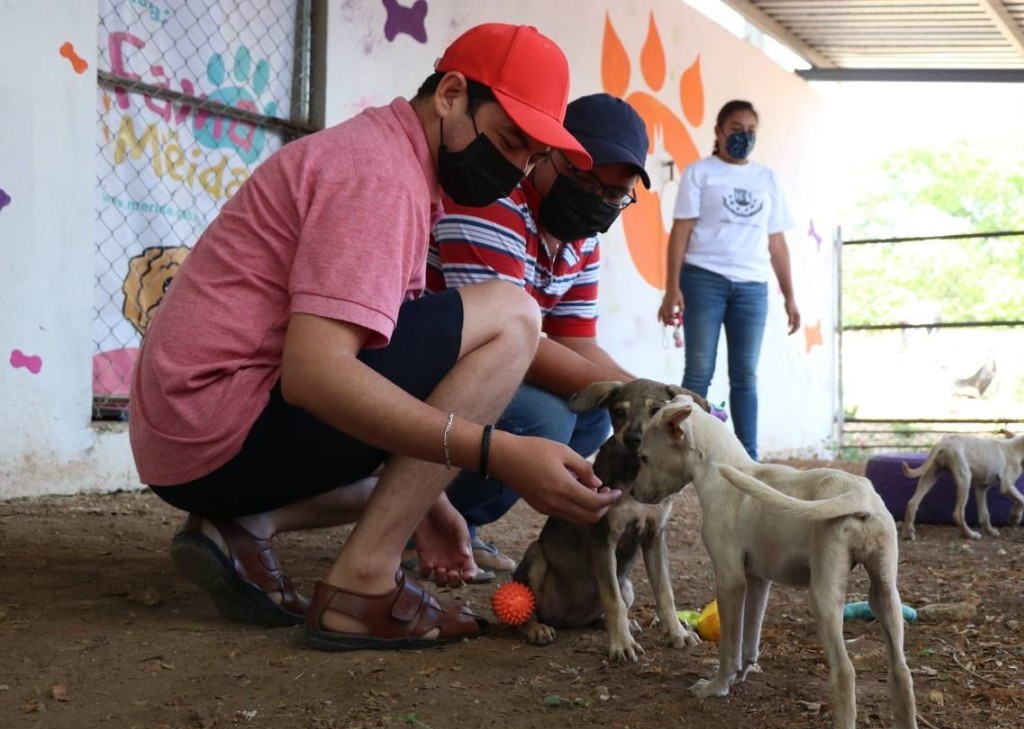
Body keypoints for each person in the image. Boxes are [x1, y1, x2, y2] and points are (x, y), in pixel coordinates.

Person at [129, 23, 621, 652]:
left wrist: (430, 504)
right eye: (507, 141)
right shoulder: (379, 175)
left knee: (404, 463)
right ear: (450, 94)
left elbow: (375, 359)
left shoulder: (397, 164)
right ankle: (363, 583)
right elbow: (317, 373)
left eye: (529, 156)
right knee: (513, 316)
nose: (514, 168)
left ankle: (243, 525)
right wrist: (495, 452)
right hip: (213, 427)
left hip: (192, 437)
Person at [422, 93, 649, 574]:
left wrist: (658, 398)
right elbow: (504, 338)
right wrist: (636, 397)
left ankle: (459, 523)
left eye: (613, 195)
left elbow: (575, 340)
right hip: (424, 365)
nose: (595, 199)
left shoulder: (579, 239)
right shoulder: (492, 203)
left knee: (593, 418)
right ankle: (414, 519)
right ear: (547, 151)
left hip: (482, 365)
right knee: (548, 417)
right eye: (582, 178)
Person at [658, 99, 800, 461]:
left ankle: (748, 458)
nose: (744, 137)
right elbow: (682, 230)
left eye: (751, 131)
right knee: (699, 370)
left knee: (745, 376)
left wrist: (790, 297)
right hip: (703, 278)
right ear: (719, 132)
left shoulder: (767, 178)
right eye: (736, 129)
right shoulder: (700, 172)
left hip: (752, 287)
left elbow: (777, 241)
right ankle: (683, 453)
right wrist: (671, 287)